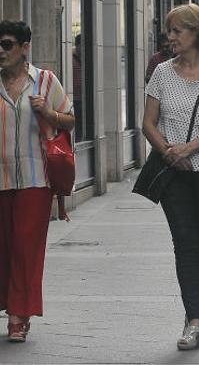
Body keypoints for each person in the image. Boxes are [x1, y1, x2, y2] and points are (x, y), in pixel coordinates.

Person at [143, 4, 199, 350]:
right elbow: (147, 122)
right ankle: (195, 318)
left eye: (178, 31)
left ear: (196, 33)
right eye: (169, 31)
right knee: (184, 240)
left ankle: (193, 312)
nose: (171, 37)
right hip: (173, 172)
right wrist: (169, 151)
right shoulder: (162, 73)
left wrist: (189, 149)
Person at [0, 20, 75, 343]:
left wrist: (48, 113)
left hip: (35, 179)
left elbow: (69, 120)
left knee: (25, 248)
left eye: (6, 45)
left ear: (24, 47)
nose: (0, 52)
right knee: (3, 248)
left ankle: (19, 315)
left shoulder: (44, 81)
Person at [72, 35, 84, 142]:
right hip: (74, 99)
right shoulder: (72, 60)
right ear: (77, 46)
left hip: (83, 99)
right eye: (81, 45)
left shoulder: (85, 61)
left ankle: (79, 140)